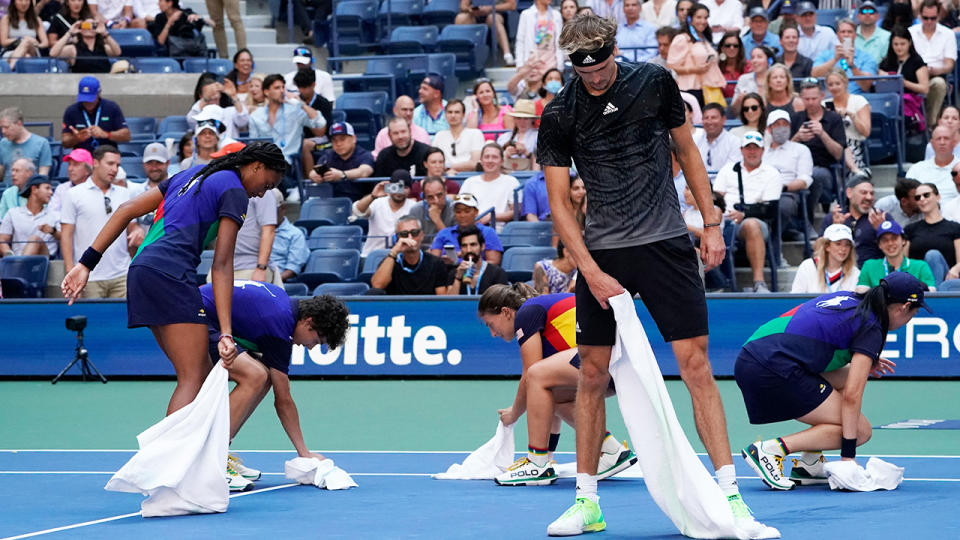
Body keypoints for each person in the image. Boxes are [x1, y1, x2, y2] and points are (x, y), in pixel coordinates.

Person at [538, 13, 774, 536]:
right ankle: (587, 501)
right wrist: (591, 271)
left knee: (695, 366)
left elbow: (687, 150)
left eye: (601, 66)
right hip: (604, 252)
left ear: (614, 51)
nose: (596, 77)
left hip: (666, 242)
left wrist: (710, 223)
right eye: (586, 71)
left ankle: (730, 497)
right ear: (571, 66)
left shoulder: (654, 80)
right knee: (592, 375)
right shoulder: (559, 113)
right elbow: (559, 204)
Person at [61, 142, 286, 417]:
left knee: (199, 371)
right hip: (171, 273)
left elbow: (125, 209)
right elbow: (223, 265)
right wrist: (226, 332)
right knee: (194, 376)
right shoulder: (235, 191)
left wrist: (86, 263)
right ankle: (166, 458)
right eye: (267, 184)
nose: (262, 193)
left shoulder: (192, 174)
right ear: (256, 166)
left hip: (142, 271)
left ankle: (183, 454)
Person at [736, 272, 927, 491]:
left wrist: (859, 359)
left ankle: (810, 463)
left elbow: (816, 338)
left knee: (848, 376)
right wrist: (848, 459)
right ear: (903, 308)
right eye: (914, 313)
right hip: (771, 367)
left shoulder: (852, 299)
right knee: (861, 431)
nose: (910, 319)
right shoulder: (873, 326)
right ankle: (771, 450)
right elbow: (852, 396)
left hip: (754, 355)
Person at [478, 284, 637, 487]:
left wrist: (514, 414)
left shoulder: (526, 313)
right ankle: (611, 451)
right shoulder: (546, 320)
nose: (493, 333)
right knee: (550, 391)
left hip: (607, 357)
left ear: (506, 312)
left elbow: (530, 374)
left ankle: (536, 464)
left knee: (536, 374)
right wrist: (548, 453)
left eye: (490, 324)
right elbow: (543, 397)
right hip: (620, 364)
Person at [197, 282, 349, 490]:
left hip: (204, 314)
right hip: (193, 317)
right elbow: (283, 400)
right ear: (308, 321)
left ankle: (219, 451)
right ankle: (211, 459)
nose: (311, 347)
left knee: (264, 377)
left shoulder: (285, 305)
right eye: (317, 339)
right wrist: (304, 452)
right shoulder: (279, 325)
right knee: (255, 376)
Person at [58, 145, 141, 299]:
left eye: (117, 165)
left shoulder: (125, 193)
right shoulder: (73, 194)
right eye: (110, 164)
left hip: (122, 274)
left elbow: (132, 226)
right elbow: (66, 235)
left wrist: (137, 231)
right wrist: (71, 270)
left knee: (122, 322)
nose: (115, 169)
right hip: (89, 275)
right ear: (95, 163)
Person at [714, 131, 782, 293]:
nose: (752, 152)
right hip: (725, 219)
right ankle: (714, 283)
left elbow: (770, 209)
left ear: (762, 150)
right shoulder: (727, 169)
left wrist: (745, 214)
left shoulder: (772, 173)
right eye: (748, 148)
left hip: (756, 222)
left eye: (756, 148)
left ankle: (759, 282)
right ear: (741, 150)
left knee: (751, 225)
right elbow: (716, 198)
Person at [249, 73, 326, 193]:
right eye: (277, 88)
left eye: (283, 87)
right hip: (263, 163)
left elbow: (320, 124)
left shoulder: (295, 111)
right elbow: (252, 145)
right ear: (266, 92)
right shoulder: (256, 116)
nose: (282, 91)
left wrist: (302, 104)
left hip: (287, 164)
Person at [792, 78, 846, 206]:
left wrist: (822, 134)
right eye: (807, 99)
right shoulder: (796, 118)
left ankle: (807, 220)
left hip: (825, 169)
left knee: (814, 175)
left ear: (822, 96)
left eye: (814, 99)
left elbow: (839, 154)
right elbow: (784, 150)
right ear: (801, 98)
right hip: (797, 169)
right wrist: (797, 138)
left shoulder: (834, 119)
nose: (810, 103)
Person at [764, 109, 816, 239]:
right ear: (769, 129)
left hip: (788, 193)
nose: (782, 128)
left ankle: (772, 244)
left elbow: (805, 180)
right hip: (761, 192)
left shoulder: (800, 150)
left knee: (782, 206)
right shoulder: (760, 150)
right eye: (777, 124)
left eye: (785, 124)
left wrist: (783, 187)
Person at [370, 215, 449, 295]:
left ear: (422, 235)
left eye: (414, 233)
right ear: (398, 237)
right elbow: (377, 286)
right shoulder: (390, 261)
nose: (410, 237)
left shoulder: (436, 263)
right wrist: (394, 251)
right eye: (404, 234)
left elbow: (441, 298)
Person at [666, 2, 724, 106]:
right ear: (690, 18)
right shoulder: (682, 38)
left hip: (708, 89)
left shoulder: (704, 38)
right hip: (690, 89)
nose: (703, 21)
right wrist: (694, 69)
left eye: (706, 18)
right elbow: (671, 66)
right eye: (699, 17)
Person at [822, 177, 887, 267]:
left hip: (872, 274)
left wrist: (882, 231)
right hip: (840, 274)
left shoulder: (881, 217)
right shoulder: (834, 217)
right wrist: (835, 229)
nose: (869, 197)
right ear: (849, 193)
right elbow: (819, 250)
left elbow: (896, 250)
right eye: (863, 193)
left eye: (872, 193)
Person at [910, 0, 956, 127]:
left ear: (938, 16)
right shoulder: (911, 32)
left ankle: (930, 124)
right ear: (919, 16)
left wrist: (936, 70)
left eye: (933, 18)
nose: (929, 22)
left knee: (939, 84)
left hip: (936, 75)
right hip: (914, 77)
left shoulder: (948, 34)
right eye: (926, 18)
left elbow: (949, 64)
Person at [904, 182, 960, 285]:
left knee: (933, 255)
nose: (922, 199)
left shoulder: (955, 227)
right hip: (918, 281)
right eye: (917, 197)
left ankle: (934, 295)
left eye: (926, 195)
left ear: (938, 197)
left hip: (946, 281)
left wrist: (955, 270)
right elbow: (904, 262)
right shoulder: (910, 229)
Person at [857, 219, 936, 292]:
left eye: (894, 238)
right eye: (885, 240)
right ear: (879, 245)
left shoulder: (920, 266)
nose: (890, 243)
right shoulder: (869, 266)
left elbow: (931, 294)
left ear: (903, 241)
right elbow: (860, 293)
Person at [878, 26, 930, 134]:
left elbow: (924, 89)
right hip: (888, 101)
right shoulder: (886, 62)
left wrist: (904, 83)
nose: (899, 48)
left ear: (909, 43)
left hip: (909, 101)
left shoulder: (917, 62)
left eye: (902, 44)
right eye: (895, 44)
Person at [353, 170, 417, 256]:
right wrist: (373, 196)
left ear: (410, 190)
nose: (399, 191)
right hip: (372, 255)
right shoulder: (378, 202)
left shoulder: (414, 207)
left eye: (404, 187)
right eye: (396, 187)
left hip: (403, 257)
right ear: (389, 186)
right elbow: (358, 211)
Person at [430, 192, 505, 264]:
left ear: (476, 212)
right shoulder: (444, 233)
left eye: (467, 211)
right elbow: (434, 260)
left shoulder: (488, 232)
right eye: (458, 212)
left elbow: (493, 261)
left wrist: (469, 264)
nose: (462, 215)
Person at [307, 122, 374, 201]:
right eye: (334, 140)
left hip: (360, 201)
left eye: (342, 139)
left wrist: (342, 175)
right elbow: (314, 171)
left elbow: (364, 172)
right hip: (332, 201)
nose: (338, 144)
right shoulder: (328, 155)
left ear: (354, 139)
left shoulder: (364, 155)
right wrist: (313, 175)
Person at [824, 69, 872, 180]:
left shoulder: (858, 100)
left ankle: (854, 173)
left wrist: (852, 116)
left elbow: (866, 132)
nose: (834, 87)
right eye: (831, 84)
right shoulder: (824, 104)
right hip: (830, 145)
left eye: (837, 83)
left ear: (845, 83)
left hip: (853, 144)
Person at [61, 76, 131, 152]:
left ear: (99, 93)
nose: (87, 103)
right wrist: (77, 138)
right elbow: (65, 142)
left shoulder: (111, 107)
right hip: (82, 157)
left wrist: (106, 134)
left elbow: (126, 136)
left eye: (91, 99)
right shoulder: (71, 111)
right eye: (84, 99)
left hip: (107, 155)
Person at [460, 143, 520, 230]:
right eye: (486, 157)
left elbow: (516, 211)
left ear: (502, 161)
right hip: (470, 229)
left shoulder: (511, 182)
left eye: (494, 157)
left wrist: (491, 216)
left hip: (498, 230)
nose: (490, 160)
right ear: (481, 160)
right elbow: (461, 207)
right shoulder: (469, 182)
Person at [811, 19, 877, 96]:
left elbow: (866, 86)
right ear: (837, 35)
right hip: (830, 98)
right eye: (843, 32)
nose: (846, 35)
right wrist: (835, 60)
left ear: (855, 35)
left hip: (856, 98)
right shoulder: (825, 55)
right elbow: (814, 75)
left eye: (850, 32)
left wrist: (852, 66)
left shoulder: (867, 57)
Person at [790, 224, 860, 293]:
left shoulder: (854, 273)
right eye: (838, 244)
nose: (843, 248)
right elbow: (796, 297)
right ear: (827, 247)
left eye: (847, 245)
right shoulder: (808, 266)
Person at [0, 175, 58, 257]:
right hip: (16, 259)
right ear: (34, 189)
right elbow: (2, 240)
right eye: (47, 188)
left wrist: (53, 231)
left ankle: (20, 267)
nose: (51, 192)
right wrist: (8, 254)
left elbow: (64, 236)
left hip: (45, 261)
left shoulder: (55, 215)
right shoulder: (13, 213)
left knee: (35, 240)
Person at [445, 224, 509, 295]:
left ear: (482, 246)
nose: (469, 250)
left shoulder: (497, 273)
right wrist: (458, 278)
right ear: (460, 249)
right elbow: (450, 303)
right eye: (464, 246)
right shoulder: (454, 273)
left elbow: (503, 301)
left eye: (473, 245)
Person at [906, 125, 960, 202]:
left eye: (946, 139)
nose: (942, 142)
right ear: (932, 143)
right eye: (938, 139)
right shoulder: (916, 169)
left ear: (954, 143)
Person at [186, 75, 248, 141]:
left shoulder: (229, 111)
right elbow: (191, 120)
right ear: (201, 96)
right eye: (209, 93)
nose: (213, 96)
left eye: (216, 92)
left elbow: (243, 121)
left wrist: (233, 96)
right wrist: (205, 99)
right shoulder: (199, 114)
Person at [48, 17, 120, 73]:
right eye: (85, 25)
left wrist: (105, 33)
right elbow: (53, 53)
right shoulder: (73, 49)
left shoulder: (103, 47)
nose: (89, 28)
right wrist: (69, 33)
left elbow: (117, 52)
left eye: (93, 25)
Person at [432, 99, 485, 174]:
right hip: (445, 176)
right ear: (445, 115)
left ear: (463, 115)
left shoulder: (475, 133)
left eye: (457, 112)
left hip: (469, 176)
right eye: (450, 112)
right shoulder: (439, 135)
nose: (453, 115)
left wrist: (448, 167)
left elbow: (475, 163)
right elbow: (433, 160)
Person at [0, 107, 52, 183]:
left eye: (6, 127)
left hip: (30, 191)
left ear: (19, 124)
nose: (3, 131)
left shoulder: (41, 143)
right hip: (7, 191)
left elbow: (43, 177)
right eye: (1, 128)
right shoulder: (3, 143)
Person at [456, 0, 516, 65]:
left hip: (495, 12)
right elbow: (463, 6)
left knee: (493, 19)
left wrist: (489, 8)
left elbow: (512, 5)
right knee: (460, 18)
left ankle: (507, 55)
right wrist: (470, 9)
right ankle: (460, 54)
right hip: (476, 14)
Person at [269, 189, 309, 282]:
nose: (266, 214)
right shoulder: (253, 231)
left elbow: (292, 269)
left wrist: (273, 280)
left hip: (278, 282)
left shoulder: (295, 234)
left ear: (283, 208)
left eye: (270, 210)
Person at [516, 0, 565, 70]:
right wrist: (520, 65)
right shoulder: (526, 14)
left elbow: (559, 41)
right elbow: (520, 41)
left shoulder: (556, 15)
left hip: (552, 64)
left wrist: (560, 66)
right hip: (532, 64)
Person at [409, 176, 457, 244]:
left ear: (446, 191)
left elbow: (452, 243)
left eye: (439, 195)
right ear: (424, 197)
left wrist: (437, 220)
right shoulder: (416, 210)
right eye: (430, 197)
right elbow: (412, 241)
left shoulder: (455, 209)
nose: (436, 201)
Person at [49, 148, 93, 221]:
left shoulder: (96, 189)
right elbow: (52, 213)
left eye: (75, 165)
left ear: (87, 170)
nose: (70, 169)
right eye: (69, 164)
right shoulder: (61, 188)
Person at [1, 0, 48, 68]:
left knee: (27, 42)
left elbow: (45, 43)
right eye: (20, 0)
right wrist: (22, 39)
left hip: (33, 50)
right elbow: (3, 41)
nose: (24, 3)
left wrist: (35, 43)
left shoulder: (36, 19)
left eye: (26, 0)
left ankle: (9, 71)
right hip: (11, 51)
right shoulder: (6, 19)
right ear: (14, 2)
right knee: (26, 56)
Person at [695, 102, 739, 172]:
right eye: (706, 118)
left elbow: (731, 171)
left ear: (723, 119)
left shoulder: (734, 142)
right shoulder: (695, 140)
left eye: (713, 117)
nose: (709, 122)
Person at [497, 100, 540, 172]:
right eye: (518, 118)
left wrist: (527, 153)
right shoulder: (504, 137)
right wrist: (505, 154)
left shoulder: (539, 136)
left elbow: (542, 161)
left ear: (532, 119)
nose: (522, 122)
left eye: (526, 118)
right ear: (514, 119)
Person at [732, 46, 775, 114]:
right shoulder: (743, 79)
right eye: (752, 58)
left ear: (769, 60)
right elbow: (734, 111)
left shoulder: (776, 78)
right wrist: (740, 100)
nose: (755, 61)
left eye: (759, 57)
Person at [855, 1, 890, 66]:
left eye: (871, 12)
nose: (867, 14)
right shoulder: (850, 34)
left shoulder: (886, 36)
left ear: (877, 16)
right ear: (858, 16)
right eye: (863, 12)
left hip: (878, 74)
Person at [718, 31, 749, 99]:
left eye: (735, 46)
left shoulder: (748, 66)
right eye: (728, 46)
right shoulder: (716, 68)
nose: (732, 48)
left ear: (740, 48)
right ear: (722, 48)